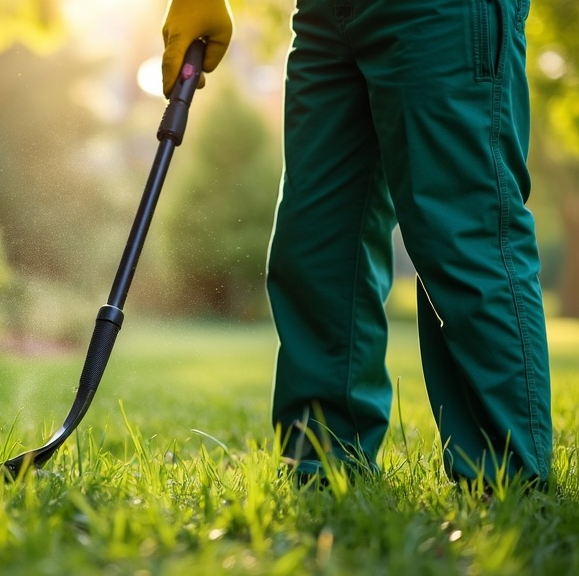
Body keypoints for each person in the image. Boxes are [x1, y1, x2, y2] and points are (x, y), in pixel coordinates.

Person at [161, 0, 552, 487]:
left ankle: (507, 477)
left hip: (440, 13)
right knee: (318, 244)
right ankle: (324, 463)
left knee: (460, 231)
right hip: (325, 14)